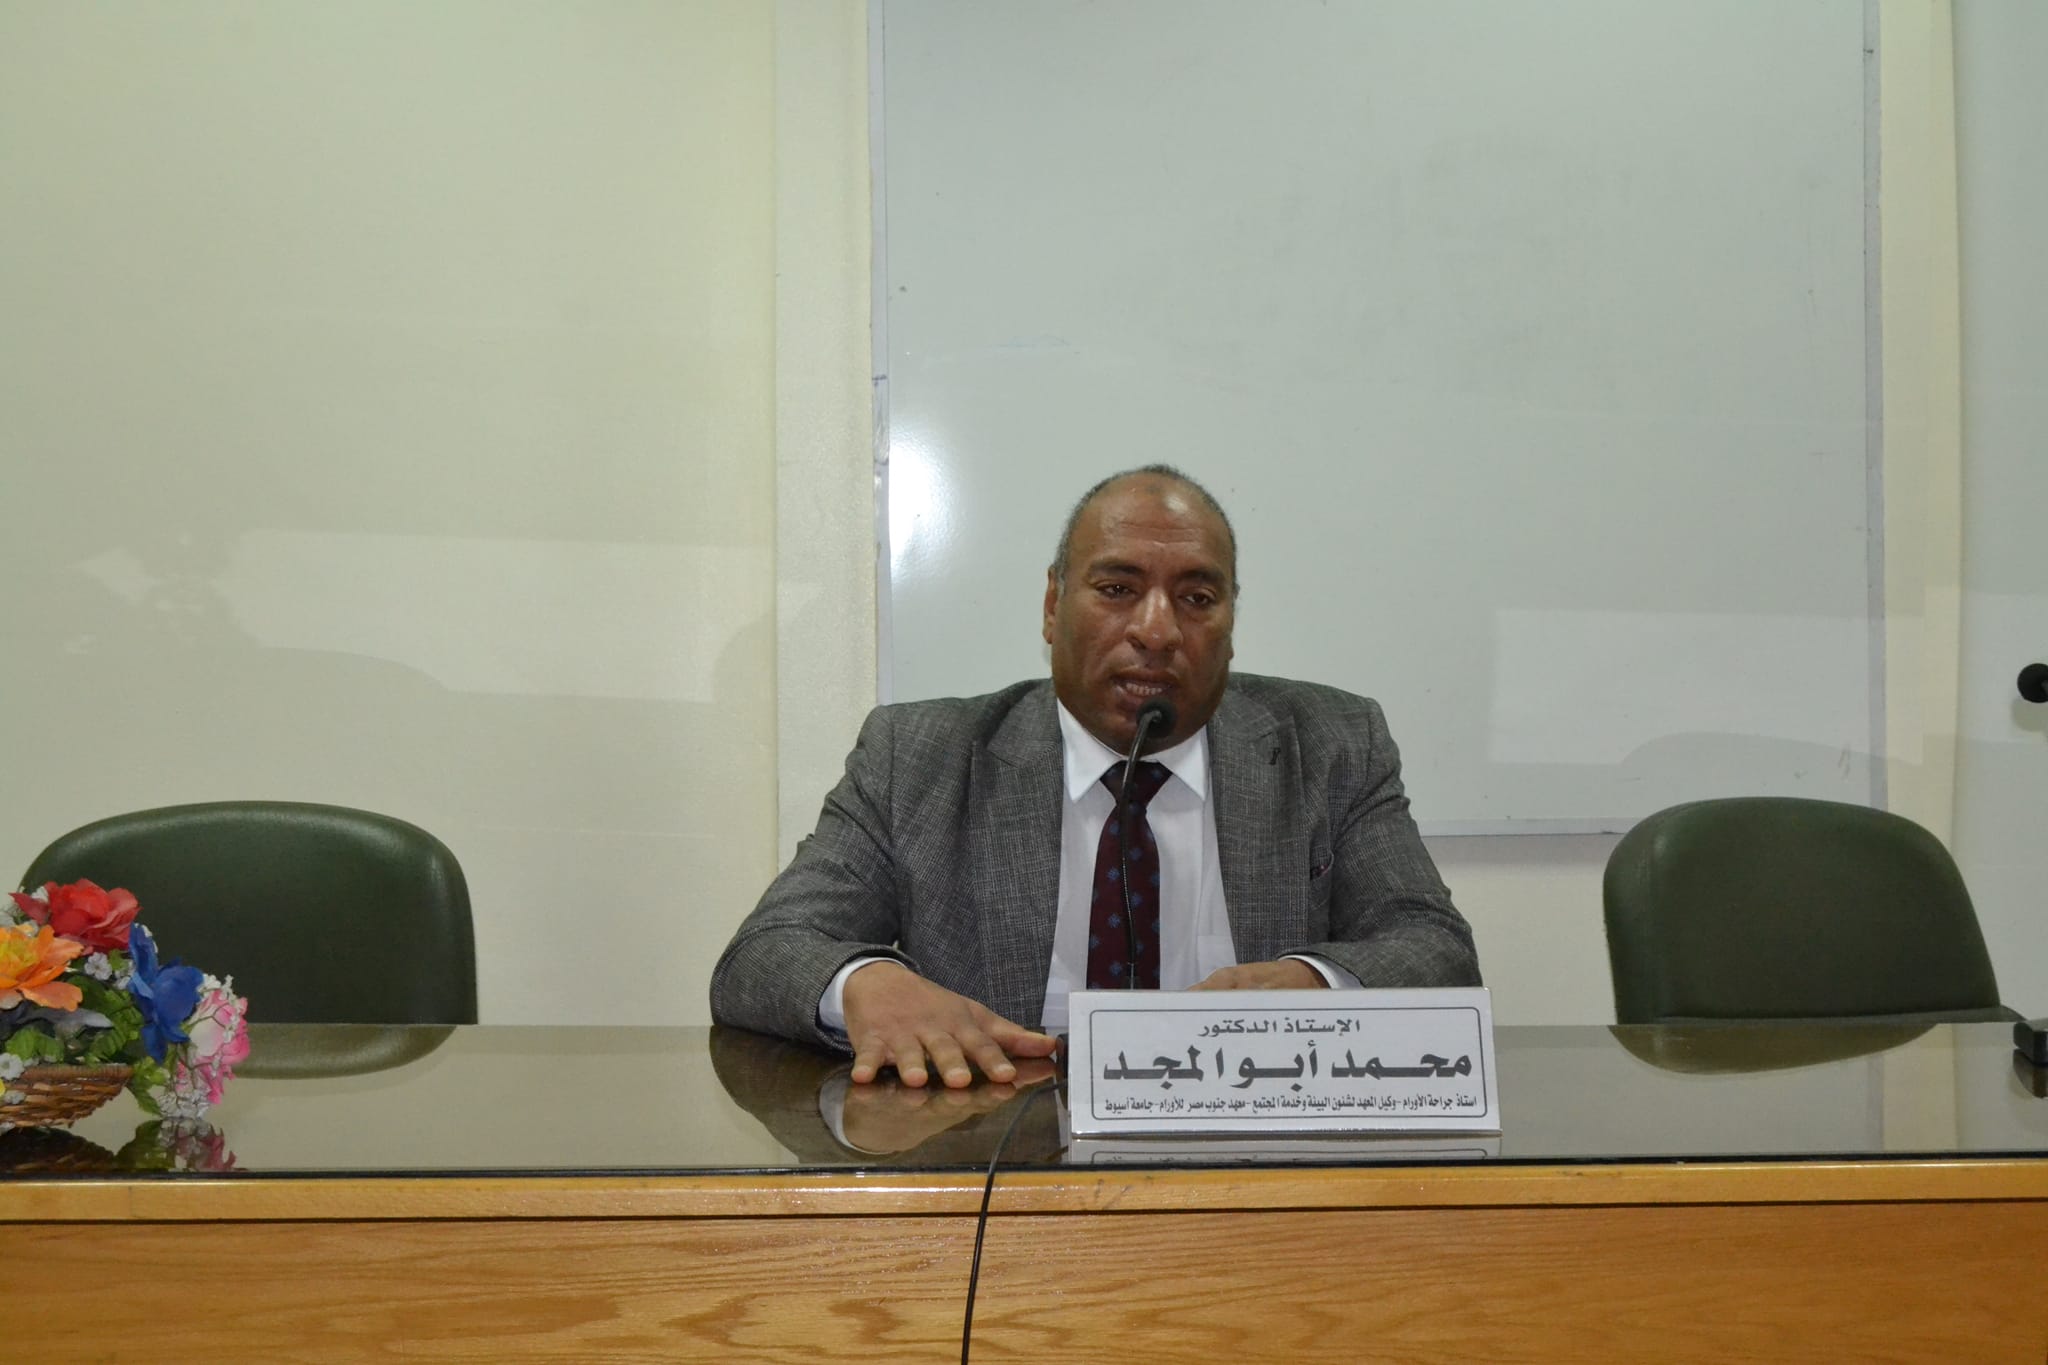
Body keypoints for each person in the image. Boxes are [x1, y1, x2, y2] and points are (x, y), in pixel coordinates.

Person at [710, 465, 1479, 1088]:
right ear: (1053, 606)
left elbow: (1436, 950)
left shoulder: (1332, 745)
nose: (1156, 629)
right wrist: (868, 984)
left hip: (1248, 1147)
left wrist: (1311, 983)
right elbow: (764, 952)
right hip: (997, 1158)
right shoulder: (918, 756)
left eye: (1197, 597)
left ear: (1231, 622)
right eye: (1117, 589)